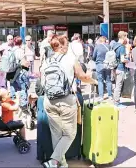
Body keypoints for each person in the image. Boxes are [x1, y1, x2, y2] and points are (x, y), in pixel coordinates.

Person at [41, 35, 97, 168]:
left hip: (49, 101)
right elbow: (83, 77)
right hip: (66, 101)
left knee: (56, 134)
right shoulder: (71, 59)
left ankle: (62, 164)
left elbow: (42, 82)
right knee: (70, 134)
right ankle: (54, 161)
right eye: (67, 44)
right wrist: (93, 81)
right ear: (62, 46)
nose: (68, 47)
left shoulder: (46, 61)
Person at [92, 36, 112, 100]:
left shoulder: (97, 47)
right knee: (108, 80)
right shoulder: (108, 46)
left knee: (100, 81)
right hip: (107, 65)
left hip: (99, 65)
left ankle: (101, 96)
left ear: (99, 41)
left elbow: (94, 56)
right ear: (105, 40)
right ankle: (110, 95)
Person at [112, 31, 128, 109]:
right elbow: (122, 59)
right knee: (119, 86)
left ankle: (115, 100)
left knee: (116, 85)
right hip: (120, 68)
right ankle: (117, 103)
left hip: (114, 67)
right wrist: (127, 60)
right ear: (123, 37)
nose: (127, 38)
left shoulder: (114, 45)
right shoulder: (122, 47)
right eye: (126, 36)